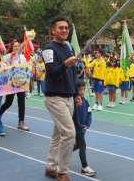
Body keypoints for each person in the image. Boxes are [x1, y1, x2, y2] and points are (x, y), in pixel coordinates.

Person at [43, 17, 78, 181]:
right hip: (55, 97)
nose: (64, 30)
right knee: (70, 133)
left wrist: (77, 93)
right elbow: (53, 72)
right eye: (61, 28)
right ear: (53, 30)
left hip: (69, 97)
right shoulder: (48, 49)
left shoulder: (69, 47)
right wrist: (66, 64)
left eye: (66, 28)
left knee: (58, 135)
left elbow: (72, 74)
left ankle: (51, 166)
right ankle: (62, 171)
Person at [0, 41, 30, 131]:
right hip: (11, 82)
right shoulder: (8, 56)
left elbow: (25, 68)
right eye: (15, 46)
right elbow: (3, 64)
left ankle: (21, 122)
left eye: (18, 46)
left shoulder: (23, 57)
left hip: (20, 82)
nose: (16, 48)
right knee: (8, 103)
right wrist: (11, 58)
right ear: (12, 47)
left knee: (22, 103)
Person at [73, 81, 96, 177]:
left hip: (83, 128)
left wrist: (87, 124)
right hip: (77, 128)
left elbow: (89, 113)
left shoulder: (86, 102)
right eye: (80, 90)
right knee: (82, 145)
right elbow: (74, 116)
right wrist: (79, 125)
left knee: (78, 145)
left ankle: (61, 154)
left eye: (83, 89)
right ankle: (84, 167)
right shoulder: (75, 102)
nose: (82, 92)